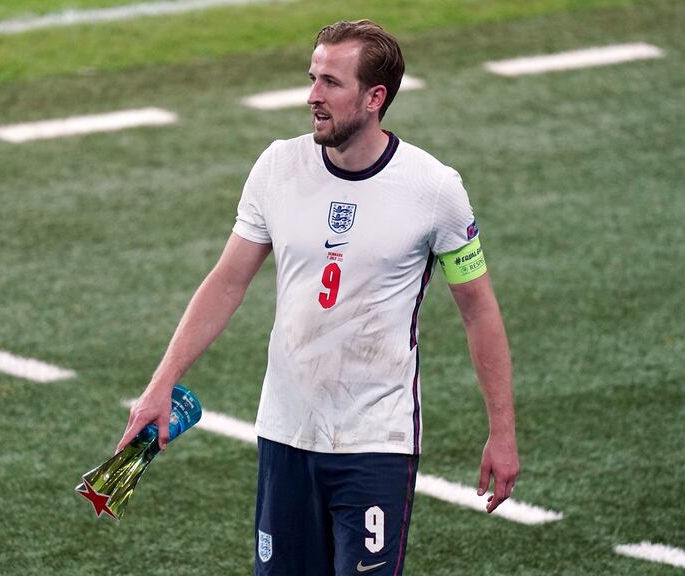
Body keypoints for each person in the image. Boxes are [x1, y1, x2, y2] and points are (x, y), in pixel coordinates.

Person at [117, 19, 519, 575]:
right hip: (286, 431)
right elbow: (227, 282)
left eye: (331, 82)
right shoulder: (277, 168)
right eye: (312, 78)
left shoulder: (435, 190)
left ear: (374, 97)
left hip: (377, 440)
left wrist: (502, 432)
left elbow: (479, 311)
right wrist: (159, 385)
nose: (313, 96)